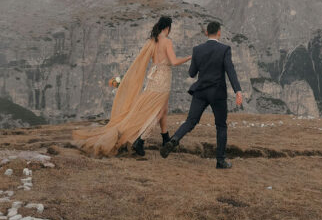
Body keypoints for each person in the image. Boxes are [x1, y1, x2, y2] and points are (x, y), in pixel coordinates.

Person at [73, 15, 190, 157]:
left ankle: (166, 139)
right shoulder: (167, 41)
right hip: (163, 81)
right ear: (168, 27)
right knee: (158, 112)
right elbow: (174, 62)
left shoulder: (152, 41)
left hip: (153, 79)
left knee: (164, 109)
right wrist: (190, 57)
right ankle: (140, 141)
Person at [160, 20, 243, 169]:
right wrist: (238, 91)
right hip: (217, 93)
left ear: (206, 33)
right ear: (219, 33)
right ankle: (220, 160)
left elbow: (192, 73)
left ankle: (174, 139)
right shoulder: (224, 49)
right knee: (221, 126)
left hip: (201, 91)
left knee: (190, 121)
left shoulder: (197, 49)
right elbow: (230, 70)